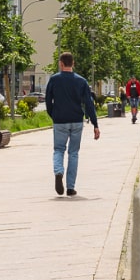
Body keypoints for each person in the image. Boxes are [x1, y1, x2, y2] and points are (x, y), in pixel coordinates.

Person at [45, 51, 99, 197]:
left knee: (58, 150)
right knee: (73, 153)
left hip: (60, 121)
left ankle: (58, 172)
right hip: (76, 121)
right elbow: (89, 104)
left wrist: (53, 115)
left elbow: (48, 100)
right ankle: (70, 187)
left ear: (61, 64)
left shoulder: (54, 79)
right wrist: (95, 124)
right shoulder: (81, 81)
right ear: (73, 63)